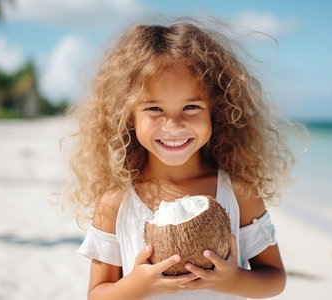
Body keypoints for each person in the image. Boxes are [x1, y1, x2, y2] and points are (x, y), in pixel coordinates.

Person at [69, 19, 294, 299]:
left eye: (191, 106)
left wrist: (232, 280)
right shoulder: (115, 204)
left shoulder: (238, 191)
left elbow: (274, 279)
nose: (173, 124)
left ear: (216, 109)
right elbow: (97, 294)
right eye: (154, 108)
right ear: (129, 117)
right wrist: (139, 285)